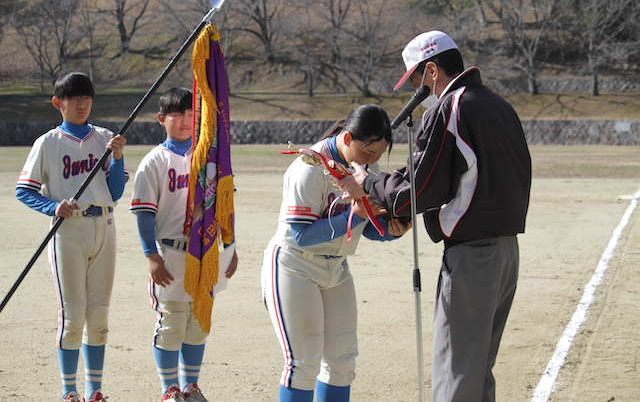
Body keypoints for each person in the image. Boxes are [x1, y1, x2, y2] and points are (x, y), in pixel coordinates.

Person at [336, 31, 532, 402]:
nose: (415, 89)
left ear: (431, 70)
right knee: (477, 369)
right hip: (506, 250)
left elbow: (419, 188)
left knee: (456, 368)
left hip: (473, 255)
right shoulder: (497, 103)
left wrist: (370, 182)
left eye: (414, 80)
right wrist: (419, 212)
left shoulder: (451, 106)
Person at [261, 104, 412, 402]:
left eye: (379, 156)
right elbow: (303, 236)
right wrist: (356, 215)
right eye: (368, 153)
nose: (372, 162)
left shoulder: (365, 170)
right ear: (347, 139)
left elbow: (366, 227)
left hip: (337, 266)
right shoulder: (309, 167)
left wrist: (390, 229)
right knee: (303, 364)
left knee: (342, 361)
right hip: (294, 266)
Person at [15, 71, 128, 402]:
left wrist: (118, 157)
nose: (82, 104)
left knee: (99, 313)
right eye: (74, 98)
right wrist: (52, 207)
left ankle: (94, 391)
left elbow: (116, 191)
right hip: (68, 231)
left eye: (87, 98)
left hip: (104, 227)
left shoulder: (106, 138)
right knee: (72, 315)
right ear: (57, 103)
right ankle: (69, 391)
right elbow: (24, 190)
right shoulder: (47, 143)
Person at [129, 87, 238, 402]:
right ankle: (169, 388)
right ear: (161, 119)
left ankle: (191, 386)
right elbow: (144, 213)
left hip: (205, 252)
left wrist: (229, 246)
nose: (186, 119)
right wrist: (150, 255)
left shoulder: (209, 158)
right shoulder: (154, 161)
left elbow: (224, 204)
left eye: (192, 113)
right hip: (171, 251)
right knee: (172, 322)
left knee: (197, 322)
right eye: (177, 113)